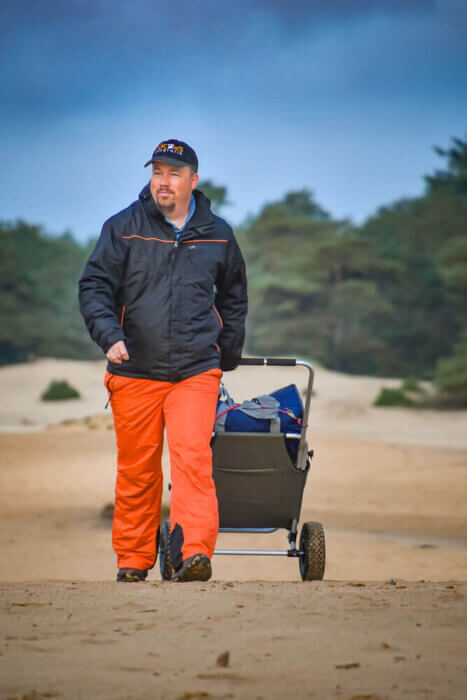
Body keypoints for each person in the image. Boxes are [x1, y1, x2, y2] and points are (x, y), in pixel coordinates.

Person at [78, 139, 248, 582]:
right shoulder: (122, 227)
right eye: (157, 172)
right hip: (134, 370)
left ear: (194, 180)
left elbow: (234, 297)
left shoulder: (219, 233)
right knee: (137, 470)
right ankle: (133, 562)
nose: (163, 182)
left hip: (195, 370)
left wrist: (226, 353)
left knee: (192, 459)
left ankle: (194, 554)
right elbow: (93, 288)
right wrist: (108, 336)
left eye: (174, 173)